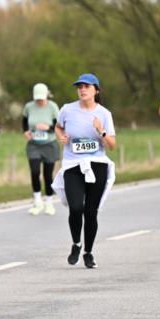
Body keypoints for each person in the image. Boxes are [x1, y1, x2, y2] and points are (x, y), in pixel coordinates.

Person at [52, 74, 117, 269]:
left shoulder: (104, 114)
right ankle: (76, 244)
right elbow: (57, 127)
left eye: (86, 86)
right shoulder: (67, 109)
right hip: (73, 165)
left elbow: (111, 145)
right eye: (79, 86)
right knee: (76, 207)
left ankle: (88, 252)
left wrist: (101, 131)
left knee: (90, 212)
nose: (82, 89)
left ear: (96, 90)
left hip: (97, 164)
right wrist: (61, 136)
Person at [22, 83, 60, 215]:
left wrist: (48, 128)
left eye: (41, 98)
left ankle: (49, 203)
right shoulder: (29, 106)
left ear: (46, 96)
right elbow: (25, 121)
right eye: (37, 98)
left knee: (47, 175)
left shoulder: (53, 107)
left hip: (49, 144)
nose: (39, 101)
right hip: (34, 145)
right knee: (34, 172)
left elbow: (59, 126)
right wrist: (26, 131)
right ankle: (37, 201)